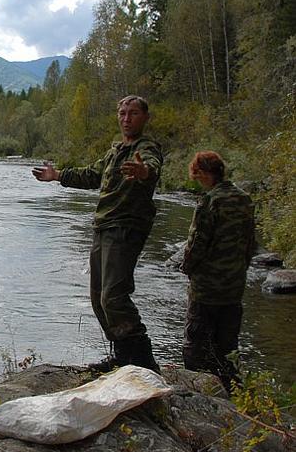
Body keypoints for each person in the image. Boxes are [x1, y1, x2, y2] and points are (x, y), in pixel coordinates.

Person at [31, 95, 162, 372]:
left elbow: (151, 168)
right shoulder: (115, 150)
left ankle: (142, 361)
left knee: (113, 297)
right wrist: (57, 176)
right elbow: (91, 175)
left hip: (125, 227)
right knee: (98, 297)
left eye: (133, 114)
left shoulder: (146, 148)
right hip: (103, 226)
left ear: (145, 118)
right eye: (123, 113)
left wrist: (143, 172)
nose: (127, 119)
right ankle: (121, 355)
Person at [179, 151, 255, 392]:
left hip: (206, 288)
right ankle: (233, 393)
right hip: (234, 286)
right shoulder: (244, 199)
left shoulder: (209, 202)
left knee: (196, 347)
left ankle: (196, 395)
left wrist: (186, 268)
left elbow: (197, 244)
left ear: (201, 172)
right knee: (228, 349)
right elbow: (250, 243)